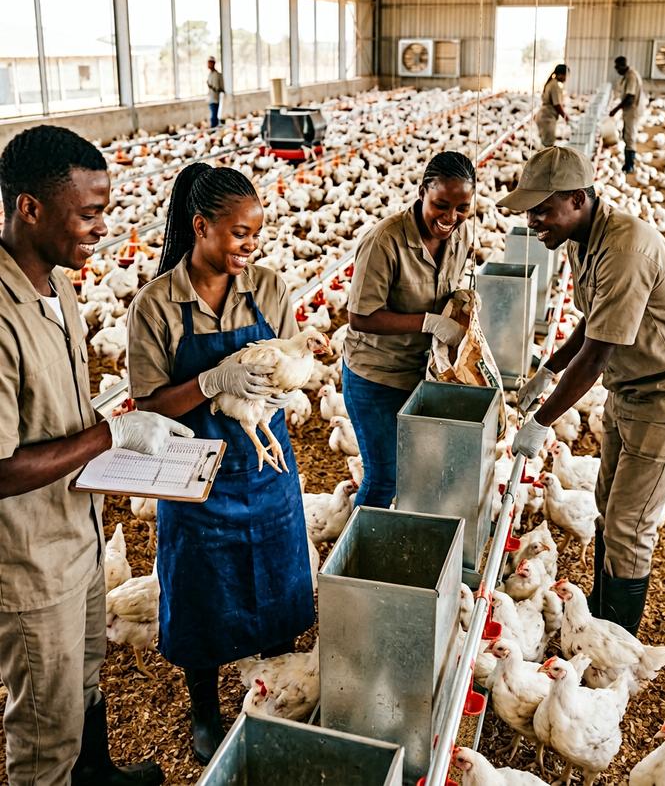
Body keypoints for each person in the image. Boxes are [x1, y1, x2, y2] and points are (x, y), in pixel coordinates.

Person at [0, 125, 192, 785]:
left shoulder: (59, 283)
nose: (102, 227)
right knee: (45, 732)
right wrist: (112, 437)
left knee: (84, 679)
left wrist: (123, 428)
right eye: (89, 213)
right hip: (30, 562)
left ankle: (98, 776)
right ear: (29, 208)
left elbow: (57, 412)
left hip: (78, 532)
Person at [126, 162, 314, 765]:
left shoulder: (270, 287)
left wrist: (287, 381)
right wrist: (211, 380)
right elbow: (151, 404)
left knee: (280, 589)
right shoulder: (155, 305)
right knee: (202, 596)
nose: (251, 245)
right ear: (200, 226)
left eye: (257, 233)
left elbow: (293, 356)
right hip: (192, 479)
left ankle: (278, 689)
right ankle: (205, 708)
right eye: (239, 233)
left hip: (266, 469)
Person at [498, 145, 665, 637]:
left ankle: (614, 643)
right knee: (605, 505)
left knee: (629, 526)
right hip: (629, 389)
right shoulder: (579, 237)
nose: (534, 221)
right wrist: (548, 370)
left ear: (577, 198)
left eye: (542, 209)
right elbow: (591, 324)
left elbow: (596, 353)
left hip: (662, 397)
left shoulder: (626, 250)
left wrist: (541, 421)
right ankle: (597, 611)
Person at [342, 151, 475, 509]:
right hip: (375, 376)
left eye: (462, 208)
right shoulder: (385, 241)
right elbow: (360, 316)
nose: (451, 218)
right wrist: (429, 323)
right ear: (422, 193)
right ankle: (359, 557)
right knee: (384, 476)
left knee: (414, 470)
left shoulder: (460, 237)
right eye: (441, 205)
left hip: (421, 375)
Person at [609, 56, 647, 173]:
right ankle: (628, 162)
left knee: (629, 136)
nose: (616, 70)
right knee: (627, 134)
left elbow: (630, 97)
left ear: (621, 65)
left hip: (632, 109)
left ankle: (630, 165)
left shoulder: (631, 76)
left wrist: (616, 109)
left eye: (616, 67)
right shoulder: (629, 74)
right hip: (630, 109)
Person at [535, 64, 570, 147]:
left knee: (546, 144)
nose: (566, 78)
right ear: (561, 75)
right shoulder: (554, 85)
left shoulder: (552, 83)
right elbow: (557, 104)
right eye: (566, 75)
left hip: (545, 117)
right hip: (547, 118)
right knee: (548, 146)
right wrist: (566, 117)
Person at [206, 56, 224, 129]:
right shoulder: (210, 74)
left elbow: (217, 88)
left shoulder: (216, 75)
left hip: (215, 99)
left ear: (213, 64)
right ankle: (214, 129)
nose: (208, 65)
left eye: (210, 63)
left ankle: (214, 129)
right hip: (211, 98)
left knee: (214, 117)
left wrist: (210, 86)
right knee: (213, 116)